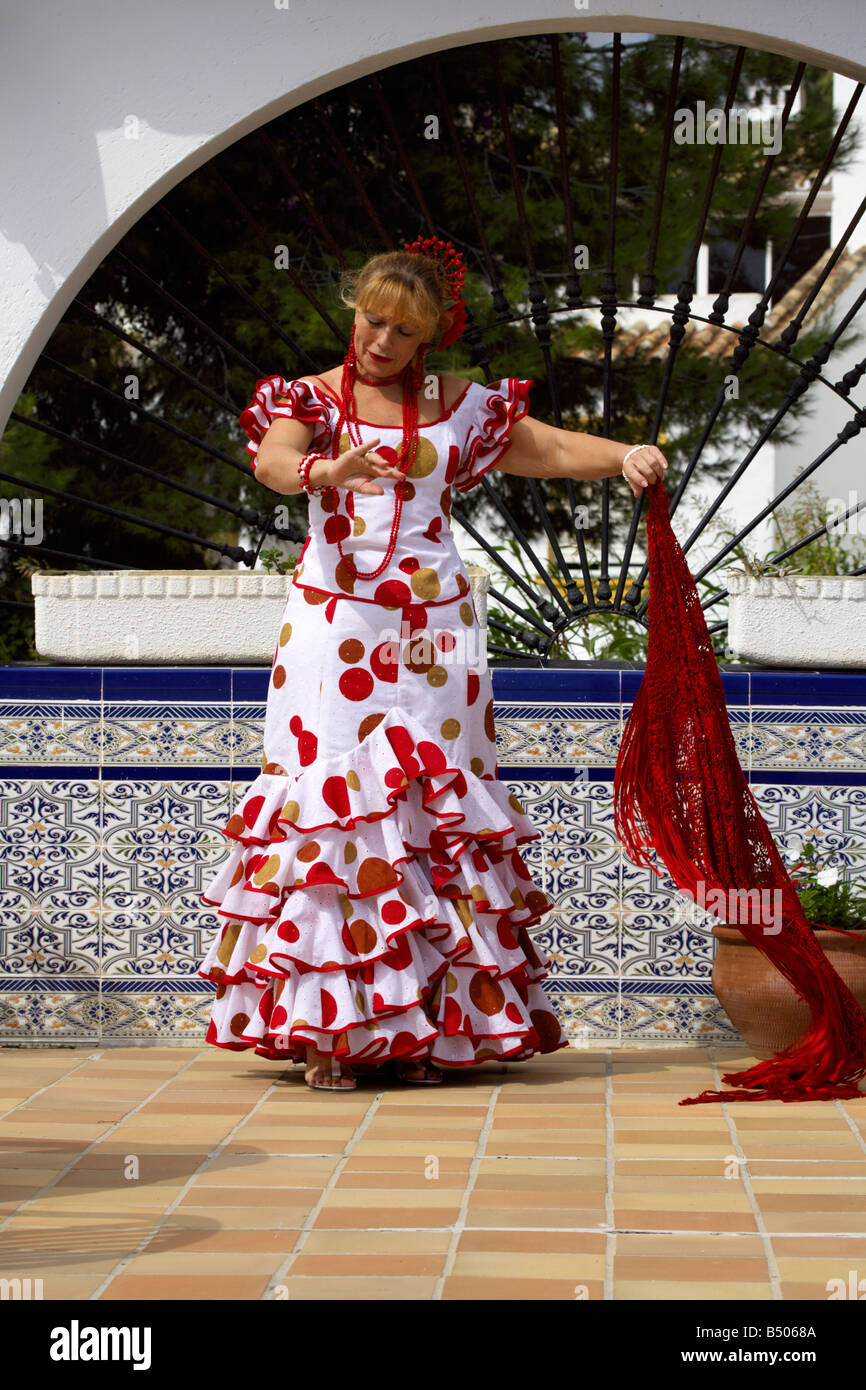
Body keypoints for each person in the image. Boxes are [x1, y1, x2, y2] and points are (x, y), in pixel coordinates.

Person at [197, 238, 668, 1091]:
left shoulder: (460, 409)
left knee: (432, 808)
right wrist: (322, 469)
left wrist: (626, 459)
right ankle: (330, 1033)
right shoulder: (309, 397)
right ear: (355, 308)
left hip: (434, 634)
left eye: (403, 332)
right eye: (373, 320)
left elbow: (552, 449)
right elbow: (271, 461)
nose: (381, 341)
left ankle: (430, 1029)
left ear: (429, 339)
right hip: (335, 628)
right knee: (334, 812)